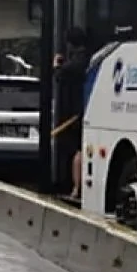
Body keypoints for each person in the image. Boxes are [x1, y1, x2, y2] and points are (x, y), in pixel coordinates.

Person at [53, 26, 88, 200]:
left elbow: (59, 76)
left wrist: (56, 66)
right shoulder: (88, 59)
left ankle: (76, 188)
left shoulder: (73, 64)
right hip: (83, 111)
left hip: (74, 115)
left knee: (78, 150)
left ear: (70, 44)